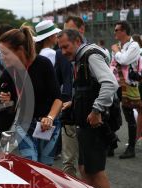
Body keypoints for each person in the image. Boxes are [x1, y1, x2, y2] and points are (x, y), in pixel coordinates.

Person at [58, 29, 118, 188]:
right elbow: (89, 88)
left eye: (66, 47)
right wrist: (75, 103)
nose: (63, 52)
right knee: (84, 168)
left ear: (77, 41)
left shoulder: (90, 56)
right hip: (85, 124)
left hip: (95, 123)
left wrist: (96, 110)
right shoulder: (80, 58)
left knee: (96, 171)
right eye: (60, 48)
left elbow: (110, 83)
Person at [0, 26, 62, 166]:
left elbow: (58, 98)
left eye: (5, 53)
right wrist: (7, 101)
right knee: (31, 164)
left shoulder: (43, 64)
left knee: (45, 168)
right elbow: (9, 102)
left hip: (47, 124)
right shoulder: (10, 70)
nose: (2, 57)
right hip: (24, 123)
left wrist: (50, 118)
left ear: (20, 51)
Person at [57, 15, 86, 177]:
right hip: (68, 110)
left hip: (87, 112)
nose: (66, 32)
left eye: (70, 29)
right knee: (68, 161)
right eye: (64, 29)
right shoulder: (60, 52)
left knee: (87, 163)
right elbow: (57, 81)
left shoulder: (93, 51)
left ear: (81, 30)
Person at [110, 21, 141, 159]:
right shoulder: (119, 46)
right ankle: (111, 143)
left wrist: (116, 52)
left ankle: (132, 148)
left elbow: (124, 60)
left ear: (124, 31)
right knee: (113, 113)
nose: (115, 32)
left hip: (130, 85)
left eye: (117, 30)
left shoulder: (134, 45)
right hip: (117, 84)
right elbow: (113, 64)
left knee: (130, 117)